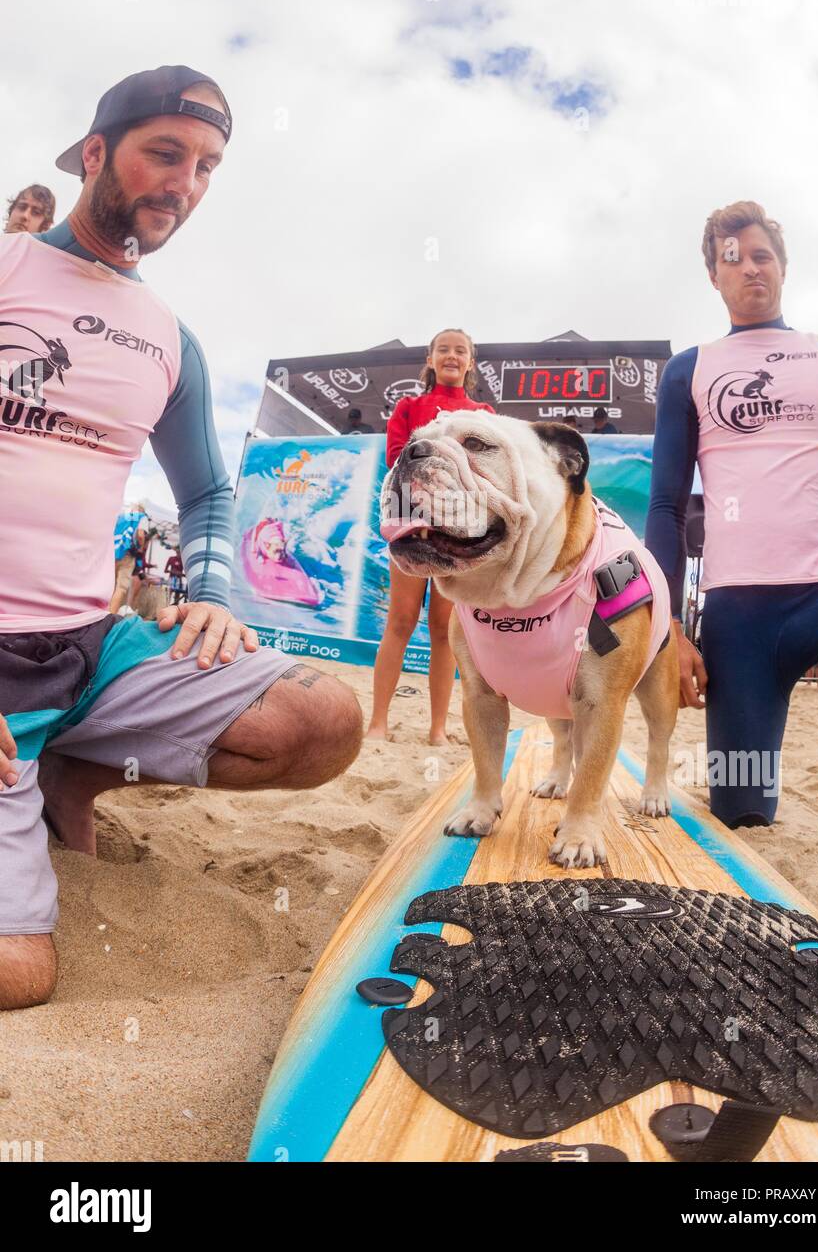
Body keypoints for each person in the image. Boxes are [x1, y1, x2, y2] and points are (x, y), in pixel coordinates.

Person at [0, 65, 362, 1012]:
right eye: (165, 153)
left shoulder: (170, 338)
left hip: (85, 651)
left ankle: (69, 769)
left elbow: (206, 490)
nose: (184, 184)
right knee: (19, 976)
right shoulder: (8, 270)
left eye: (205, 166)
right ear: (93, 153)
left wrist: (210, 592)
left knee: (323, 722)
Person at [645, 200, 818, 829]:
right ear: (715, 276)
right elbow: (665, 507)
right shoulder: (690, 369)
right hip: (741, 623)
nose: (750, 269)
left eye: (762, 255)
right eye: (732, 259)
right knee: (743, 814)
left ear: (784, 266)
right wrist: (669, 634)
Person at [366, 328, 495, 744]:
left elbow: (483, 472)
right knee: (400, 622)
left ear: (471, 362)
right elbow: (396, 460)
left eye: (461, 351)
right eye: (444, 349)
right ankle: (378, 723)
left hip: (454, 527)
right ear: (431, 358)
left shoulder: (482, 413)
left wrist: (449, 521)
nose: (452, 356)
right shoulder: (409, 406)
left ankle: (438, 729)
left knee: (445, 631)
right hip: (408, 519)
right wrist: (418, 516)